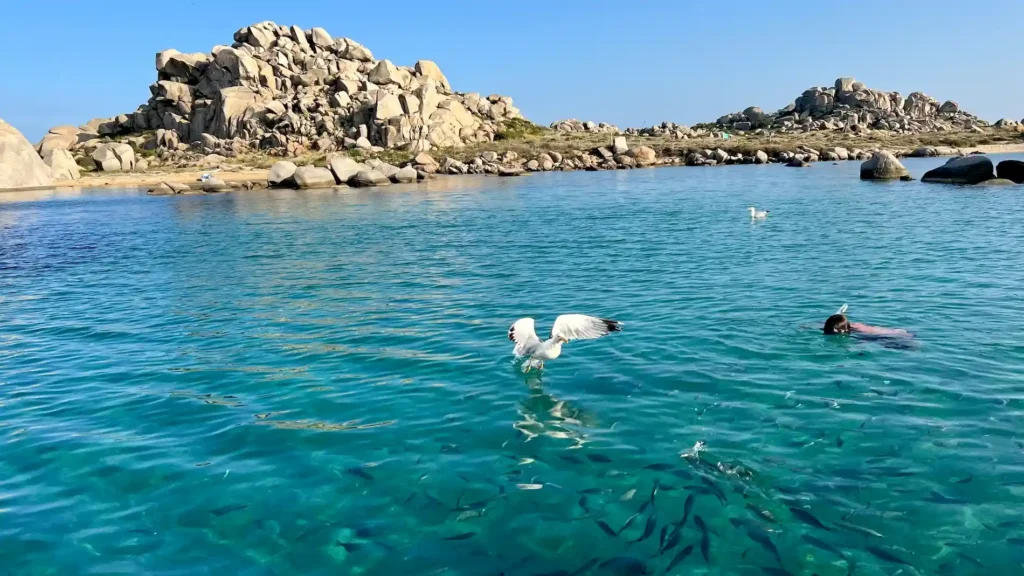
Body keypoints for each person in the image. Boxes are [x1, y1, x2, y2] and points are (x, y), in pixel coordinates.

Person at [823, 305, 911, 338]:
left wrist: (904, 334)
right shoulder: (828, 327)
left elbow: (885, 332)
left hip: (899, 333)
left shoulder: (862, 331)